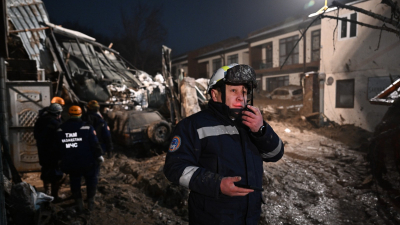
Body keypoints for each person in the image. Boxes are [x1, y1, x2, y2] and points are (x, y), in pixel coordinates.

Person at [163, 64, 284, 224]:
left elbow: (275, 154)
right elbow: (174, 168)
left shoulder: (251, 122)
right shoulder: (192, 126)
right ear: (215, 94)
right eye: (234, 91)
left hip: (250, 217)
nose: (241, 97)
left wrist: (261, 130)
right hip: (212, 218)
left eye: (244, 92)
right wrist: (216, 184)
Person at [56, 105, 104, 212]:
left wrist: (60, 160)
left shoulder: (61, 128)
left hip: (71, 161)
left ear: (69, 114)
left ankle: (79, 204)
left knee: (75, 181)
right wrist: (99, 155)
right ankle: (90, 204)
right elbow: (94, 144)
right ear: (80, 114)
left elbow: (58, 146)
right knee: (91, 180)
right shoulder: (87, 127)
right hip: (88, 161)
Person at [34, 103, 64, 202]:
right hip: (54, 152)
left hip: (43, 151)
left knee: (46, 169)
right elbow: (60, 138)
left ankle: (46, 192)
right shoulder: (56, 124)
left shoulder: (40, 120)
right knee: (56, 174)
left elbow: (36, 135)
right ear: (57, 113)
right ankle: (55, 196)